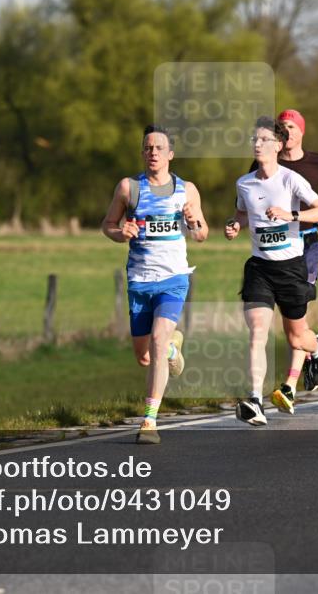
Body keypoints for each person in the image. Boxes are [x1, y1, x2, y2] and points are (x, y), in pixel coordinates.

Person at [102, 125, 208, 445]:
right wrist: (121, 233)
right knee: (145, 356)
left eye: (159, 148)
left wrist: (194, 223)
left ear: (170, 154)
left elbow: (202, 233)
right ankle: (174, 347)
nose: (153, 153)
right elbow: (108, 225)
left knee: (157, 342)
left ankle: (149, 420)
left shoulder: (186, 190)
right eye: (148, 148)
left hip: (174, 278)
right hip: (139, 278)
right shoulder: (128, 188)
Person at [225, 116, 318, 424]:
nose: (258, 145)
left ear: (278, 145)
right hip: (259, 268)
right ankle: (255, 400)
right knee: (258, 331)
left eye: (264, 140)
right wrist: (235, 225)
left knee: (298, 338)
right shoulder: (244, 183)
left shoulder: (290, 180)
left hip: (291, 268)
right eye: (254, 140)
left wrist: (291, 215)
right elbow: (242, 214)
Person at [248, 109, 318, 390]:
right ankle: (307, 360)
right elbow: (247, 201)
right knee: (287, 324)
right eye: (283, 127)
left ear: (301, 131)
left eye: (292, 127)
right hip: (274, 248)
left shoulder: (317, 162)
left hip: (306, 243)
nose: (288, 131)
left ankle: (290, 386)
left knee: (297, 316)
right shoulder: (266, 164)